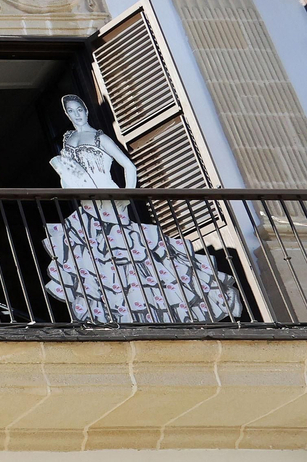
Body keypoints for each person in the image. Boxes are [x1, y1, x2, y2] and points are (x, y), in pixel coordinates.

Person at [41, 94, 241, 324]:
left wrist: (127, 193)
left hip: (109, 199)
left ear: (86, 110)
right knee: (97, 258)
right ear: (66, 114)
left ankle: (161, 305)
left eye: (80, 109)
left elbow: (129, 166)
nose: (77, 114)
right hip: (86, 204)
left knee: (128, 253)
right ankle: (117, 312)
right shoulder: (68, 138)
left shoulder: (99, 137)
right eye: (72, 111)